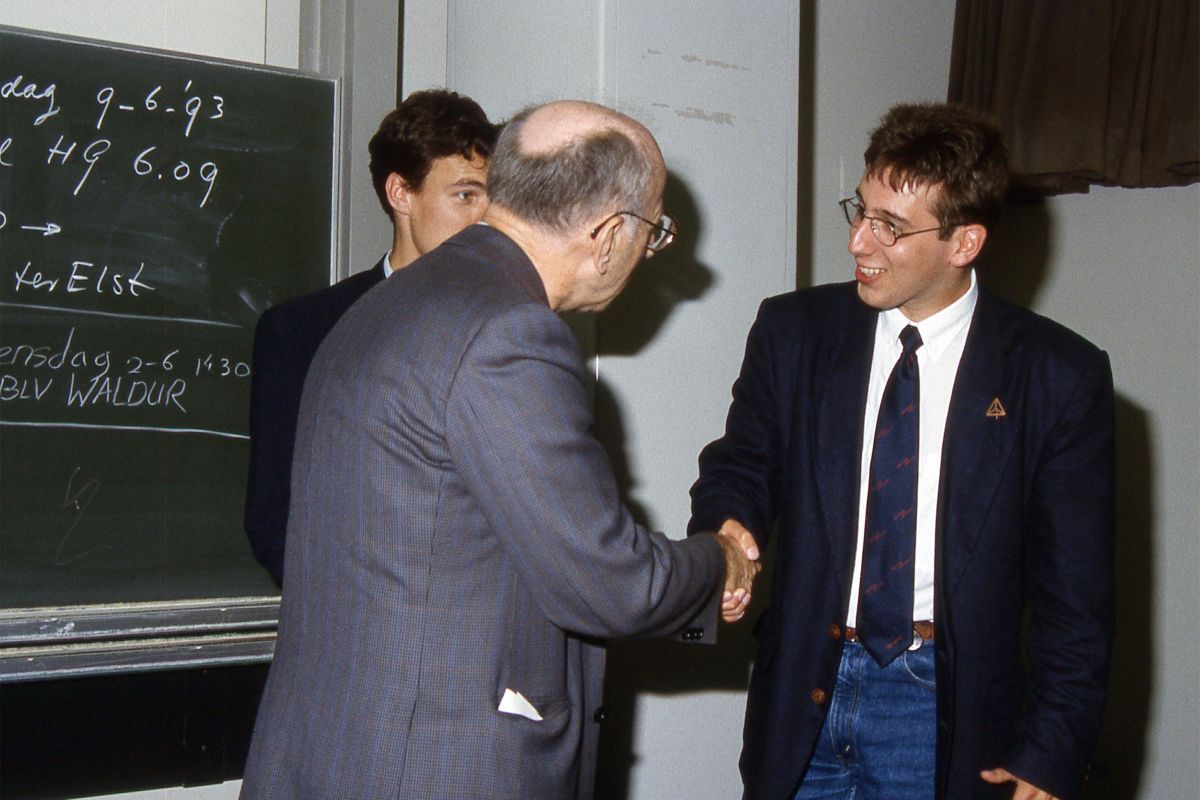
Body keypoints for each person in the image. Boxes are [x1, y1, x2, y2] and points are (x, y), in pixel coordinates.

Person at [240, 99, 759, 799]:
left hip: (335, 751)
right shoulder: (511, 331)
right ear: (610, 233)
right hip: (432, 766)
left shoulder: (387, 302)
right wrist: (718, 560)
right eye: (654, 232)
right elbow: (608, 582)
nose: (647, 253)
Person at [689, 102, 1115, 800]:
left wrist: (1054, 748)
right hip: (805, 693)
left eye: (890, 226)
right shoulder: (793, 331)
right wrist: (729, 528)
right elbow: (742, 462)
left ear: (964, 243)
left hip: (943, 710)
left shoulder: (1056, 375)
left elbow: (1077, 592)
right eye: (861, 211)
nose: (859, 241)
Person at [243, 89, 498, 584]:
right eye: (466, 195)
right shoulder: (303, 331)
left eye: (492, 199)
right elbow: (276, 522)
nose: (485, 219)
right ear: (401, 193)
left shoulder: (511, 330)